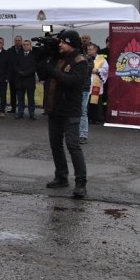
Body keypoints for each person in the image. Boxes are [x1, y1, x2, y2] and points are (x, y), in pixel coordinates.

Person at [38, 30, 89, 198]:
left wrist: (51, 70)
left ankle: (81, 183)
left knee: (73, 145)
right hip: (54, 109)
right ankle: (61, 176)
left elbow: (72, 81)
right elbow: (43, 73)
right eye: (59, 42)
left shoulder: (80, 61)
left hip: (70, 111)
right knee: (55, 145)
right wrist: (41, 57)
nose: (60, 44)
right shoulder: (58, 57)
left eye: (63, 42)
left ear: (72, 44)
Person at [85, 43, 109, 134]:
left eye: (90, 49)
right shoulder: (85, 58)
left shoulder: (101, 59)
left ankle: (96, 118)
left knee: (95, 101)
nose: (89, 51)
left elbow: (106, 69)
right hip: (87, 82)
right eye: (88, 50)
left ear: (95, 50)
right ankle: (88, 117)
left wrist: (98, 70)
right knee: (87, 100)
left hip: (96, 82)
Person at [12, 39, 38, 119]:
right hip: (20, 79)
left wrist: (26, 73)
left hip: (29, 79)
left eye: (27, 45)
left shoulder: (34, 55)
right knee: (20, 98)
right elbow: (14, 65)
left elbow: (35, 67)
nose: (25, 46)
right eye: (24, 45)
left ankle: (31, 112)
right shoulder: (18, 54)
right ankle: (20, 112)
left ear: (30, 46)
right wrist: (20, 72)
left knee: (31, 98)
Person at [8, 35, 24, 113]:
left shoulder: (24, 50)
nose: (17, 42)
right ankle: (13, 108)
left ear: (21, 41)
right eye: (16, 40)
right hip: (12, 76)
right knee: (12, 93)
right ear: (14, 41)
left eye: (19, 40)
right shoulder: (10, 50)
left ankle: (21, 109)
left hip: (22, 76)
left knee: (21, 94)